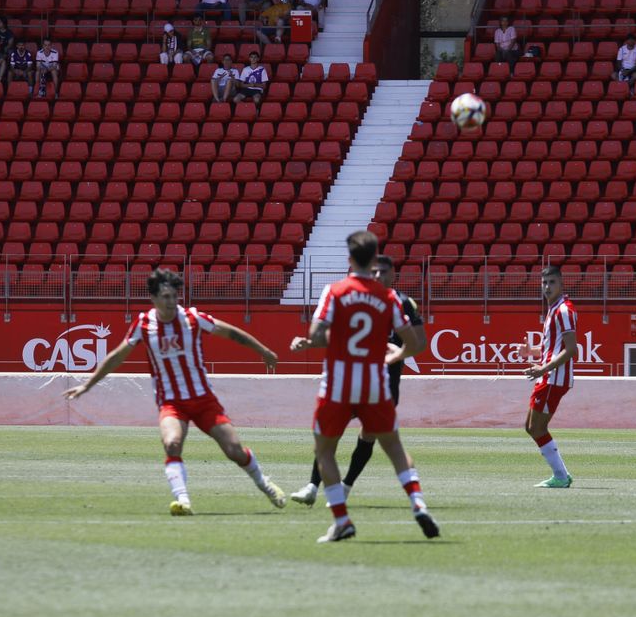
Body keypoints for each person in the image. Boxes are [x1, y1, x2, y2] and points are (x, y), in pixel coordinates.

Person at [64, 267, 287, 516]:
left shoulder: (192, 318)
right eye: (166, 297)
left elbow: (231, 333)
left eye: (174, 296)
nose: (171, 302)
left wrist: (264, 351)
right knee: (171, 444)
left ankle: (265, 485)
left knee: (234, 451)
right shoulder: (144, 324)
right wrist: (88, 384)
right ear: (154, 298)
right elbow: (117, 356)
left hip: (203, 400)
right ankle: (183, 500)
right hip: (171, 403)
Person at [288, 230, 440, 543]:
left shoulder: (335, 291)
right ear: (373, 260)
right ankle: (418, 503)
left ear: (349, 259)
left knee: (325, 450)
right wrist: (393, 353)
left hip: (338, 385)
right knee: (395, 449)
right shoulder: (389, 297)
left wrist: (322, 340)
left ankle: (341, 519)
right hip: (375, 385)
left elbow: (317, 334)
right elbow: (413, 342)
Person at [292, 254, 423, 507]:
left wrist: (394, 354)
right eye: (374, 272)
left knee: (368, 436)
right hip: (349, 379)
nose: (378, 277)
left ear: (393, 274)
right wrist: (308, 342)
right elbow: (338, 336)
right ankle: (312, 486)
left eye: (383, 272)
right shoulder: (355, 300)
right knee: (331, 435)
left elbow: (418, 343)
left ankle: (346, 486)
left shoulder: (401, 302)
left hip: (383, 384)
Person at [524, 263, 577, 488]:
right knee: (530, 426)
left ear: (561, 283)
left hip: (554, 378)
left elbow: (572, 349)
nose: (547, 287)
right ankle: (561, 475)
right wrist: (532, 352)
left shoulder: (564, 310)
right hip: (549, 376)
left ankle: (561, 477)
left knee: (536, 427)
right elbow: (553, 348)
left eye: (552, 282)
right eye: (544, 282)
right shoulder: (553, 308)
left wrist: (543, 369)